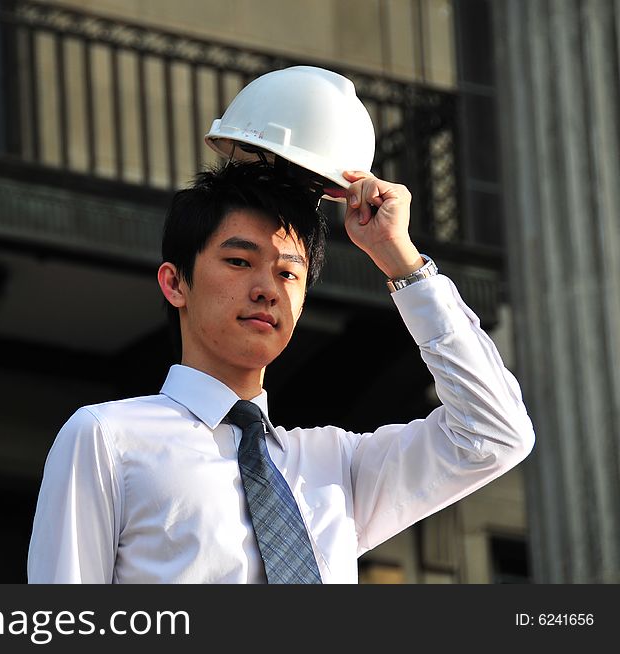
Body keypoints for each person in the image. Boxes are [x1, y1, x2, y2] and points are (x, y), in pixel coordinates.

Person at [26, 158, 535, 583]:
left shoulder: (336, 468)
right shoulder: (109, 438)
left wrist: (400, 260)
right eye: (240, 262)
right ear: (175, 283)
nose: (268, 289)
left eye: (289, 272)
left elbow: (495, 433)